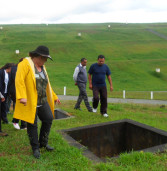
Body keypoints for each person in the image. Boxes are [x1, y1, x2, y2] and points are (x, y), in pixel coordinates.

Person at [13, 45, 61, 159]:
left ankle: (43, 143)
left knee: (48, 118)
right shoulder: (24, 64)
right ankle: (35, 148)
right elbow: (19, 80)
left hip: (43, 100)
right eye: (45, 59)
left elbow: (46, 84)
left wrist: (54, 96)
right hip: (30, 101)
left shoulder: (43, 67)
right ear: (39, 57)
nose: (45, 61)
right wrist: (22, 97)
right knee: (32, 124)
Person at [8, 59, 27, 130]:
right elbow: (17, 80)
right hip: (15, 90)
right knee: (21, 106)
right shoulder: (15, 69)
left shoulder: (20, 68)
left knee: (22, 106)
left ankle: (22, 124)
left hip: (20, 90)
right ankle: (18, 122)